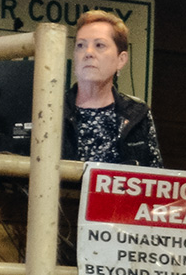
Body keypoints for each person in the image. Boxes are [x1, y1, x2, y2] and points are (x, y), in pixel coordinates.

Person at [63, 10, 162, 167]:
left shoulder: (137, 113)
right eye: (80, 45)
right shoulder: (53, 108)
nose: (88, 53)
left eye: (99, 45)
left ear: (121, 60)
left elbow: (154, 174)